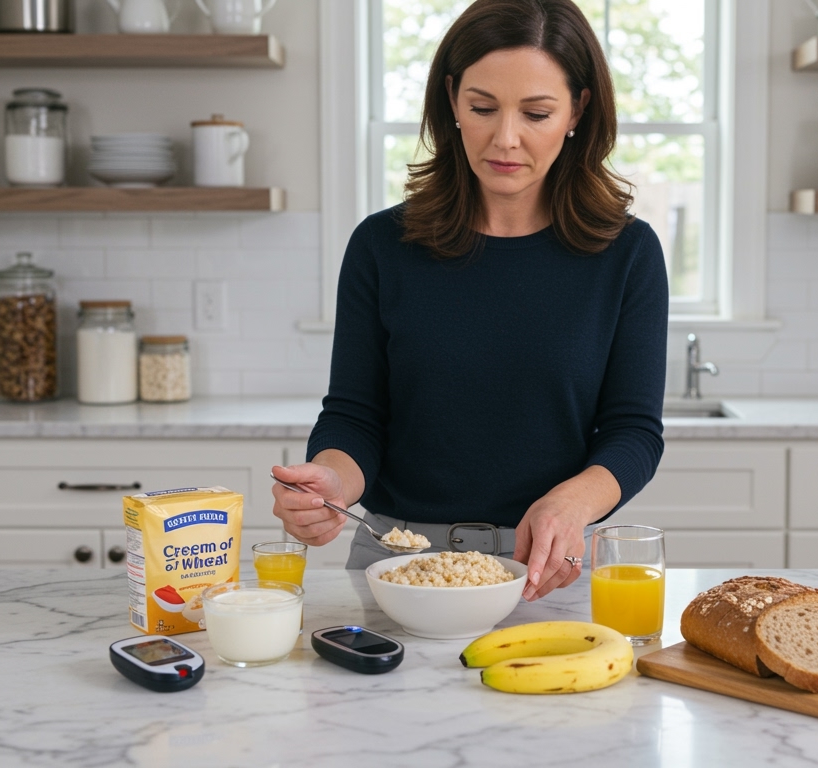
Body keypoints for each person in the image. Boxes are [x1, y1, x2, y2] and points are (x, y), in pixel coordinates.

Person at [271, 0, 667, 602]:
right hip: (394, 562)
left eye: (536, 113)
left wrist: (573, 502)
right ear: (452, 99)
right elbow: (356, 416)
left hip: (545, 567)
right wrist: (331, 481)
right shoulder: (382, 245)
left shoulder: (628, 253)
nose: (505, 138)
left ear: (578, 111)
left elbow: (633, 430)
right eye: (483, 107)